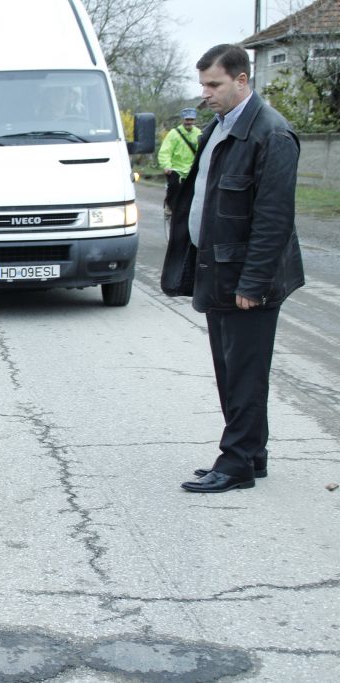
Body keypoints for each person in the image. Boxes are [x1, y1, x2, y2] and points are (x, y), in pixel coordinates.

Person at [161, 44, 304, 493]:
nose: (206, 93)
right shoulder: (219, 127)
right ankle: (251, 454)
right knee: (230, 369)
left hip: (247, 277)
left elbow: (274, 218)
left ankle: (237, 463)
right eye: (203, 84)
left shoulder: (272, 134)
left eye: (215, 84)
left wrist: (255, 282)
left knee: (244, 371)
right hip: (217, 270)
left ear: (242, 80)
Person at [157, 107, 202, 215]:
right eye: (187, 120)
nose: (189, 122)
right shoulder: (174, 133)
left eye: (191, 120)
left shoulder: (199, 134)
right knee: (173, 185)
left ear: (194, 121)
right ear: (183, 120)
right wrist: (166, 165)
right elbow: (165, 151)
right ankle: (169, 204)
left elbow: (201, 151)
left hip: (191, 168)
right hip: (176, 168)